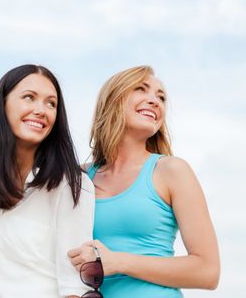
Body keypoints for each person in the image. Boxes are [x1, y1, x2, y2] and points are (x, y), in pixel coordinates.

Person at [67, 66, 220, 296]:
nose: (155, 101)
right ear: (113, 99)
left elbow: (208, 272)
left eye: (161, 97)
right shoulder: (78, 178)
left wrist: (118, 262)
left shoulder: (171, 171)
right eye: (141, 89)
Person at [0, 64, 95, 297]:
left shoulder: (72, 185)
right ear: (2, 104)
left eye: (51, 103)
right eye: (29, 97)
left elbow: (74, 285)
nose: (41, 110)